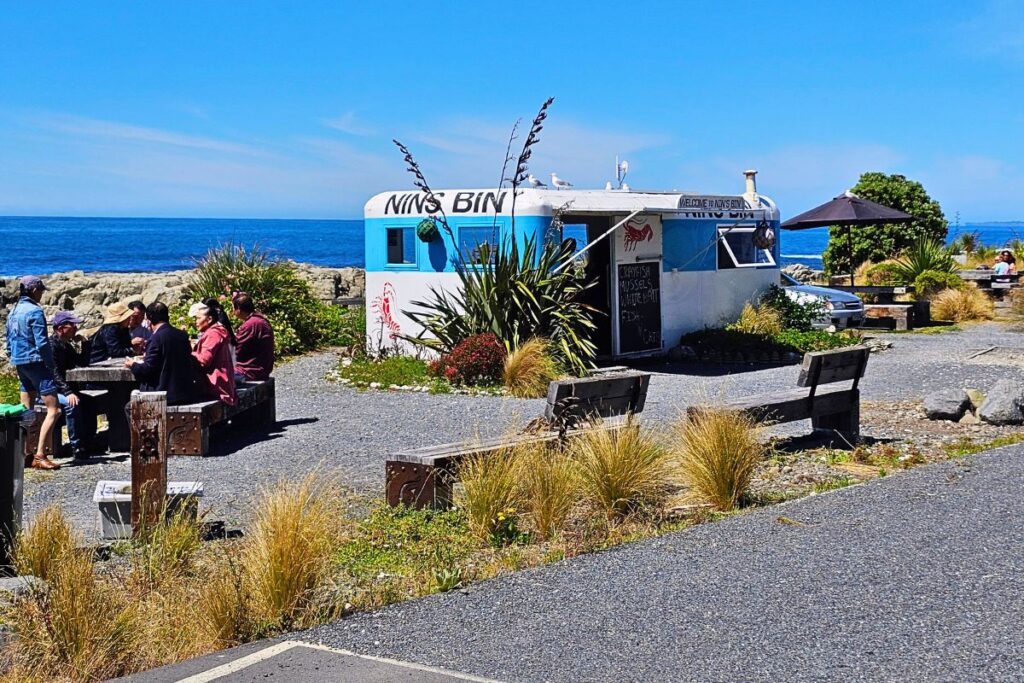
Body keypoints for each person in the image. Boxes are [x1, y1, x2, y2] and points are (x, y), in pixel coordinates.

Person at [4, 276, 61, 469]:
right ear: (33, 290)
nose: (42, 293)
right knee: (54, 409)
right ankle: (40, 454)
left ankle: (24, 454)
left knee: (26, 411)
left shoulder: (14, 312)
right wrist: (50, 363)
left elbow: (8, 341)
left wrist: (13, 356)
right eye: (41, 290)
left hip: (20, 363)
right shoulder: (35, 311)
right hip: (36, 362)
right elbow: (42, 343)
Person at [125, 302, 195, 405]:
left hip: (164, 395)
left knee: (128, 407)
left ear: (149, 319)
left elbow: (147, 370)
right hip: (184, 393)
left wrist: (132, 364)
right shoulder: (182, 335)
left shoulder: (155, 339)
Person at [50, 311, 97, 459]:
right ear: (60, 328)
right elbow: (54, 372)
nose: (75, 328)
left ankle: (88, 441)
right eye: (72, 325)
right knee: (72, 404)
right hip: (51, 391)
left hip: (64, 389)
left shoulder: (66, 345)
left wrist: (85, 343)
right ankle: (76, 446)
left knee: (90, 401)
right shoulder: (52, 345)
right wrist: (68, 391)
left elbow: (82, 362)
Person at [190, 301, 236, 406]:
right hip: (222, 383)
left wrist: (190, 351)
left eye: (198, 318)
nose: (195, 322)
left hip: (216, 386)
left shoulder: (213, 334)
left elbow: (203, 361)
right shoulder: (216, 331)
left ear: (209, 319)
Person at [231, 292, 275, 381]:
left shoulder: (250, 324)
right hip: (262, 369)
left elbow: (237, 350)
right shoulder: (259, 320)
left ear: (238, 309)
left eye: (233, 308)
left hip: (250, 371)